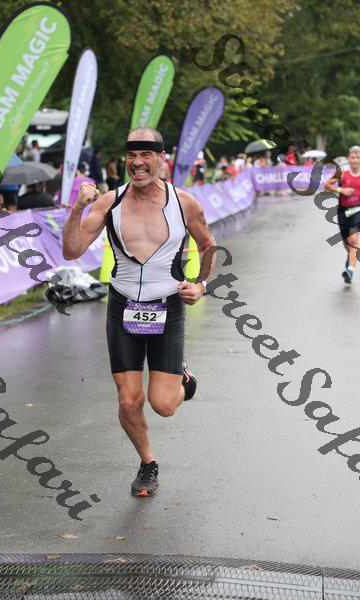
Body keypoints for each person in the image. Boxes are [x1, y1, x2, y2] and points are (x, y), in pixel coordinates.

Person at [62, 126, 216, 497]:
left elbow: (208, 245)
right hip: (123, 307)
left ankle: (182, 379)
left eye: (146, 155)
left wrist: (200, 284)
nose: (137, 163)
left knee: (163, 405)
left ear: (161, 159)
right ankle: (148, 463)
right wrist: (78, 207)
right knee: (129, 400)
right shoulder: (109, 203)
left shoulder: (184, 203)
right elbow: (72, 250)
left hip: (167, 306)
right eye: (131, 155)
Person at [325, 145, 360, 283]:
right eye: (353, 157)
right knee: (346, 242)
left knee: (353, 240)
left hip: (358, 210)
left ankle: (350, 271)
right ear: (348, 158)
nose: (355, 160)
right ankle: (350, 257)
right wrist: (341, 190)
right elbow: (327, 185)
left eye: (358, 157)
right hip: (343, 210)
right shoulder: (342, 172)